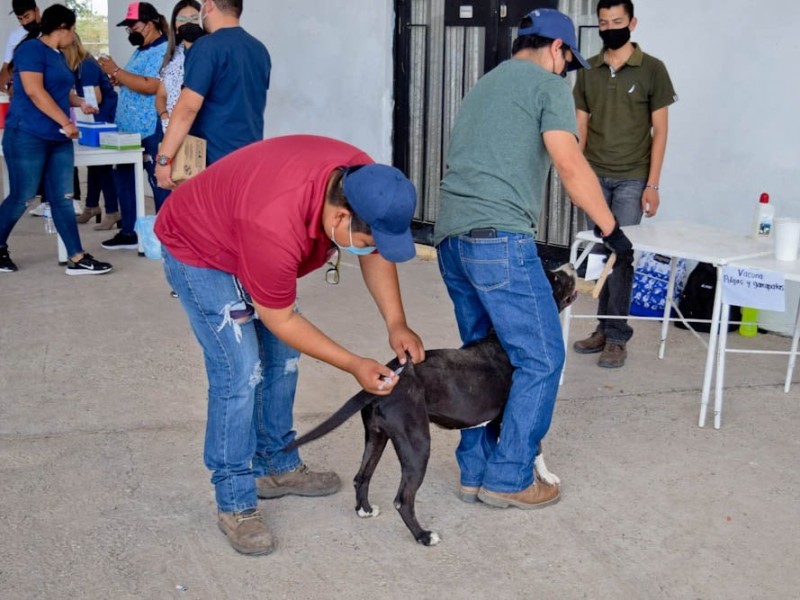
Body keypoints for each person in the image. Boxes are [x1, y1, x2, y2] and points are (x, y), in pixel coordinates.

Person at [154, 134, 425, 555]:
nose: (371, 248)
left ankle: (276, 466)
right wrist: (354, 363)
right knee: (239, 371)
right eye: (368, 238)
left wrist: (397, 323)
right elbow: (279, 317)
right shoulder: (274, 223)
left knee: (282, 360)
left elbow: (374, 252)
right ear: (340, 218)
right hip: (199, 247)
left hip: (246, 225)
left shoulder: (365, 182)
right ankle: (235, 501)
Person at [433, 9, 632, 509]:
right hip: (499, 241)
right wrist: (611, 229)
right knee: (540, 357)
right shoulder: (547, 87)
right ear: (557, 50)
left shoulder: (485, 84)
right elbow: (570, 163)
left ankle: (474, 473)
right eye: (567, 61)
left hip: (451, 240)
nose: (565, 71)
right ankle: (510, 476)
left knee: (481, 357)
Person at [572, 0, 677, 368]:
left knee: (622, 254)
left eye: (617, 21)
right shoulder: (588, 69)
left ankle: (617, 336)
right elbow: (580, 126)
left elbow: (660, 131)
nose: (610, 27)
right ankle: (602, 328)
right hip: (594, 176)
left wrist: (653, 185)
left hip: (633, 178)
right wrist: (578, 176)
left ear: (632, 22)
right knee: (601, 253)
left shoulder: (652, 70)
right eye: (603, 22)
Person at [0, 4, 112, 275]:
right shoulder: (29, 51)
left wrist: (80, 104)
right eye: (72, 29)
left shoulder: (59, 55)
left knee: (63, 197)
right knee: (23, 196)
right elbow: (35, 91)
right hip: (27, 134)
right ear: (61, 28)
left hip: (58, 137)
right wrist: (65, 121)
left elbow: (61, 92)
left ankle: (77, 256)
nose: (73, 36)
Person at [155, 0, 270, 190]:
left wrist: (164, 159)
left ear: (208, 6)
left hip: (213, 162)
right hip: (251, 158)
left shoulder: (206, 47)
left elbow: (187, 108)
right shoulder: (259, 50)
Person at [97, 2, 168, 250]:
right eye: (127, 28)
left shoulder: (164, 50)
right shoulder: (141, 50)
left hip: (149, 126)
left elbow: (152, 85)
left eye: (133, 25)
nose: (130, 32)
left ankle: (163, 236)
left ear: (151, 24)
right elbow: (134, 80)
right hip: (128, 127)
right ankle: (129, 231)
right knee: (124, 177)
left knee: (158, 180)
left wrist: (117, 70)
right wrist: (119, 78)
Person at [63, 33, 120, 230]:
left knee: (101, 164)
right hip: (95, 117)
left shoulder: (85, 65)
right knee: (94, 165)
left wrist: (74, 99)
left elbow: (95, 98)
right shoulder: (81, 64)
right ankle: (92, 206)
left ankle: (112, 210)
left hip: (102, 116)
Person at [156, 0, 203, 134]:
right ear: (175, 26)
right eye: (182, 19)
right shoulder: (171, 57)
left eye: (194, 18)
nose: (188, 23)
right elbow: (161, 96)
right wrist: (164, 115)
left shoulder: (211, 53)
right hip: (172, 129)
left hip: (203, 131)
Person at [1, 0, 39, 92]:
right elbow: (7, 67)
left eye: (27, 16)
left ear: (36, 11)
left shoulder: (49, 32)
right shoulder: (15, 35)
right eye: (20, 19)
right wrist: (5, 87)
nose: (24, 22)